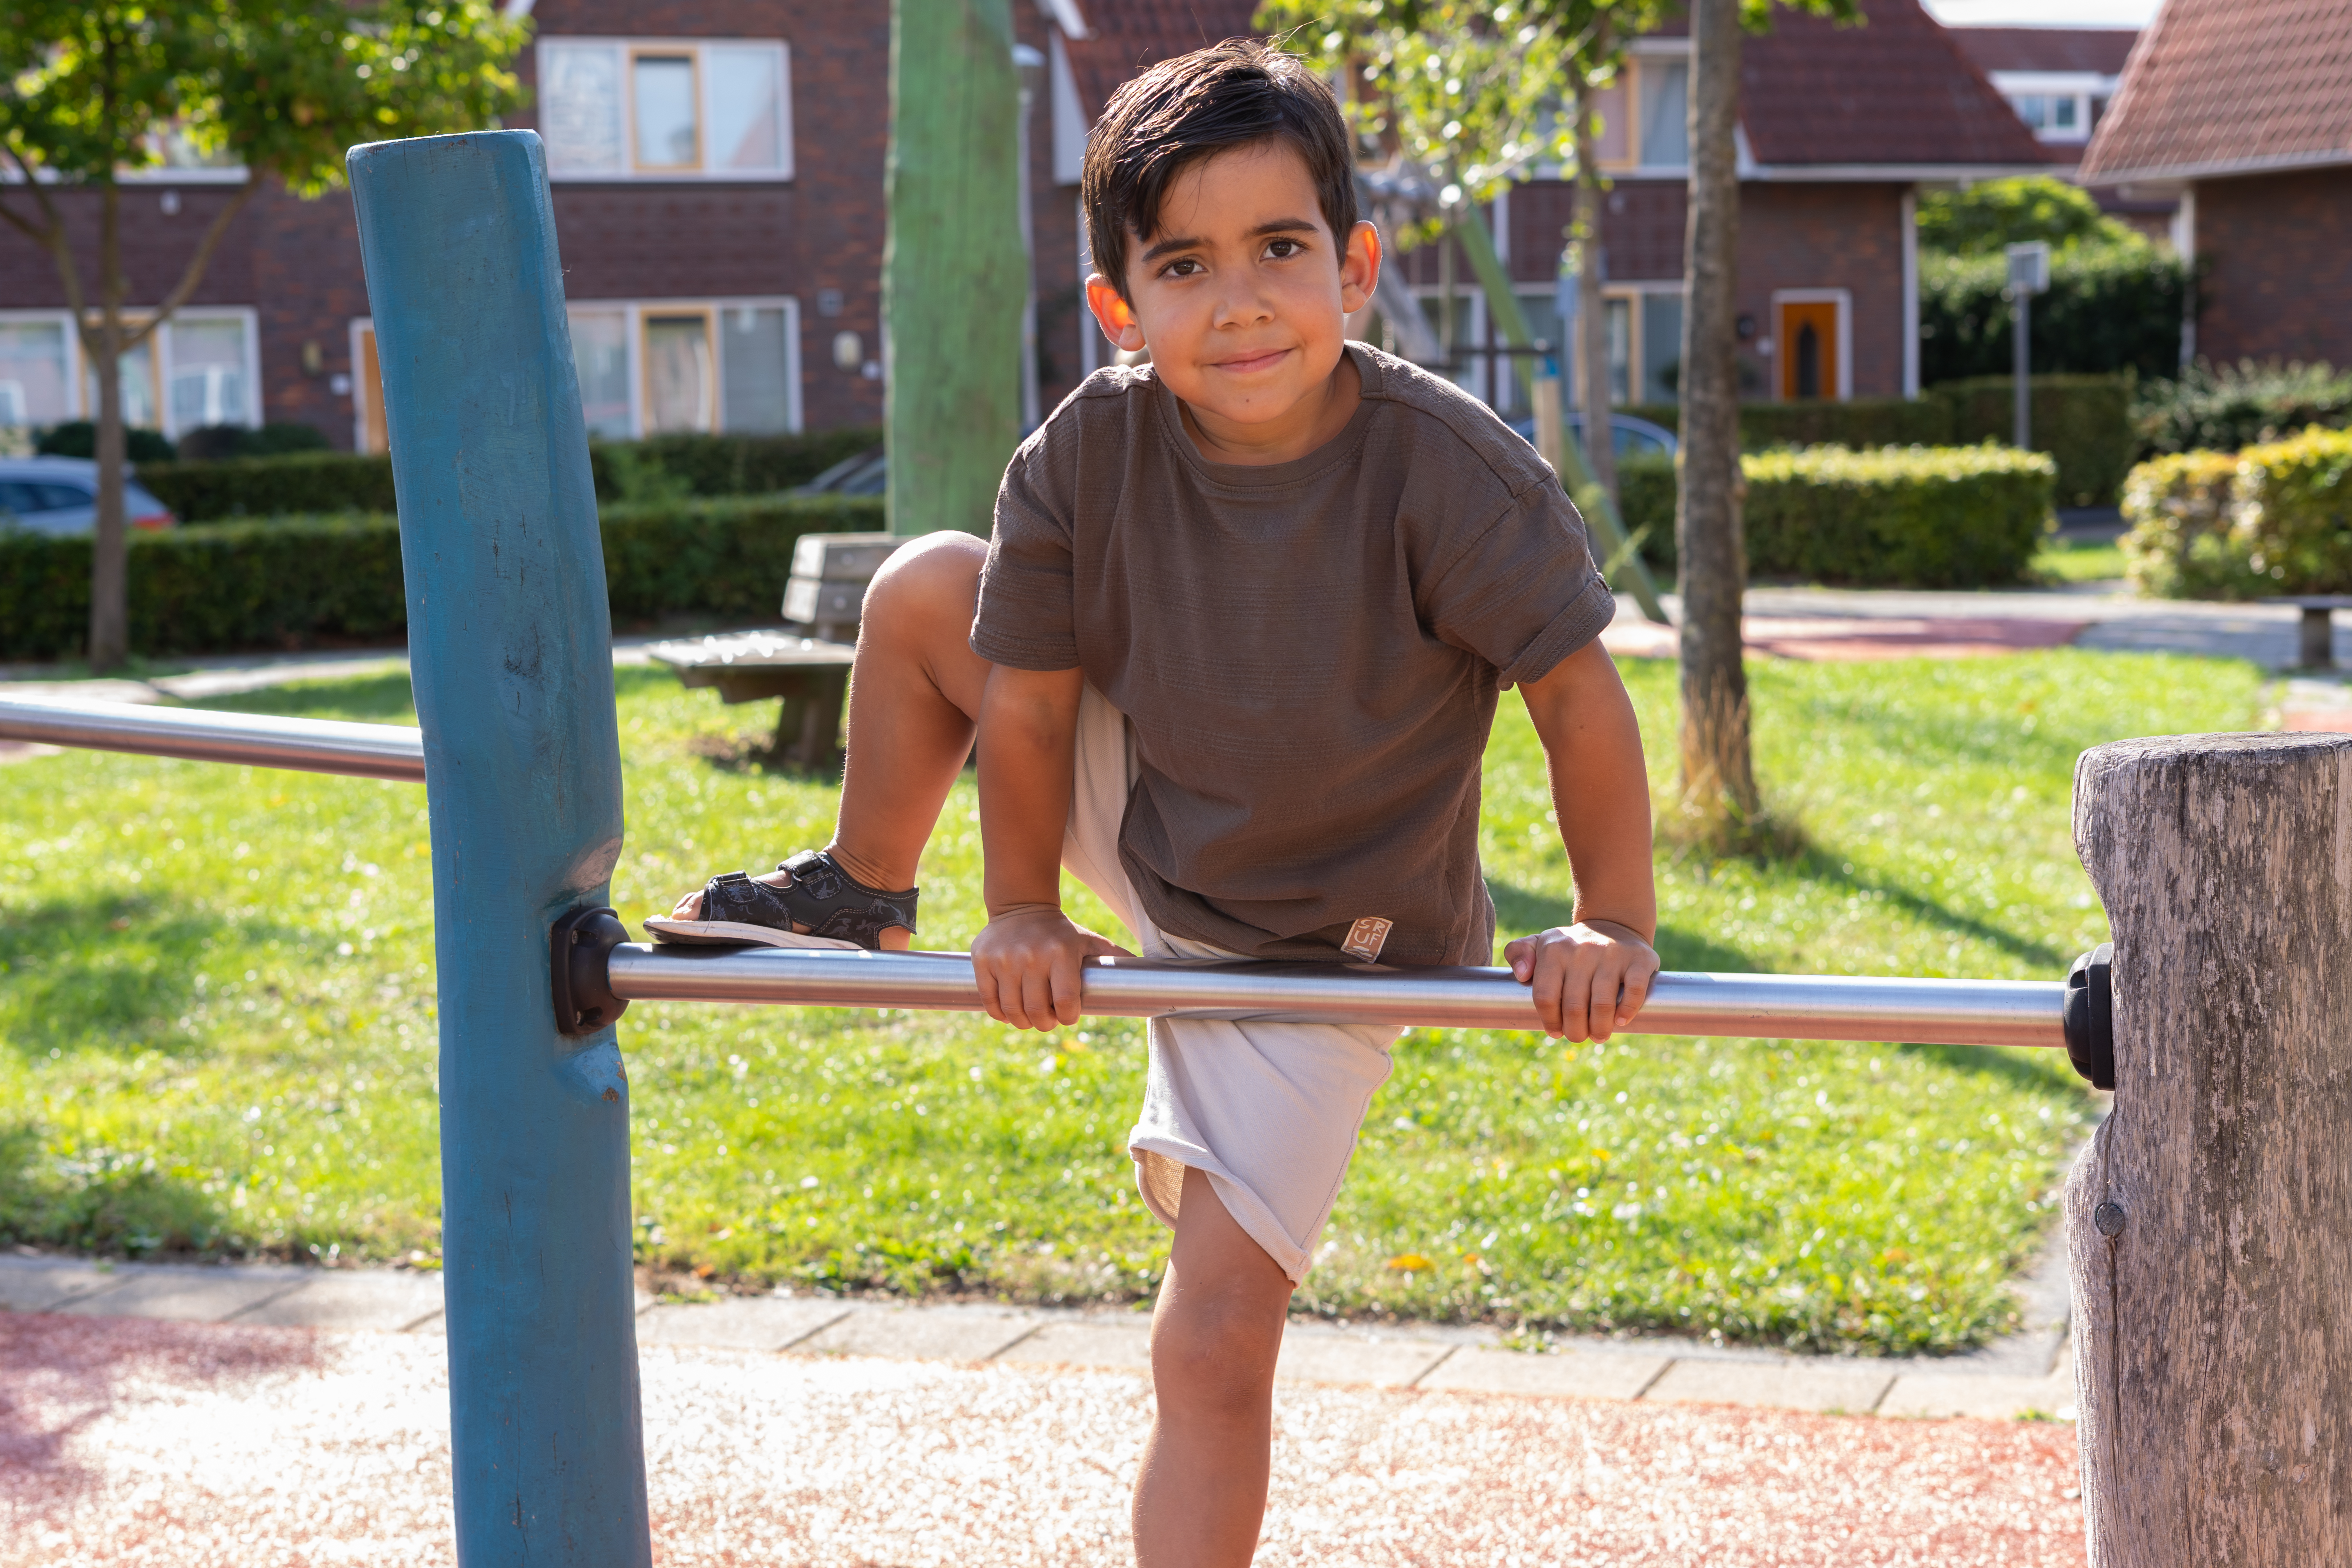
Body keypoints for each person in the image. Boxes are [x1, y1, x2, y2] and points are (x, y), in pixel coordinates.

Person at [657, 38, 1659, 1568]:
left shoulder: (1444, 469)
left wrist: (1609, 920)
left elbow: (1578, 698)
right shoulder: (1087, 450)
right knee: (932, 586)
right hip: (1155, 821)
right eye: (1184, 266)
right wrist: (1018, 908)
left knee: (1206, 1346)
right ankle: (866, 881)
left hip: (1332, 939)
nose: (1241, 301)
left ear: (1356, 268)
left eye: (1280, 250)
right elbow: (1035, 696)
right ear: (1120, 308)